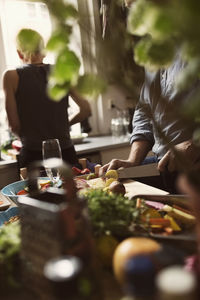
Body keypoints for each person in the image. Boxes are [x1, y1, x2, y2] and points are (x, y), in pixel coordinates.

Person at [100, 55, 200, 193]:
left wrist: (194, 145)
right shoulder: (153, 56)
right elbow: (144, 113)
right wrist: (133, 161)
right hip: (164, 168)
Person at [3, 28, 91, 168]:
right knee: (74, 189)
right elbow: (85, 110)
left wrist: (26, 136)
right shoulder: (63, 71)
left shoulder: (11, 76)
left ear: (19, 53)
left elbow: (14, 125)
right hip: (66, 152)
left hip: (33, 155)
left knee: (38, 190)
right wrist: (64, 125)